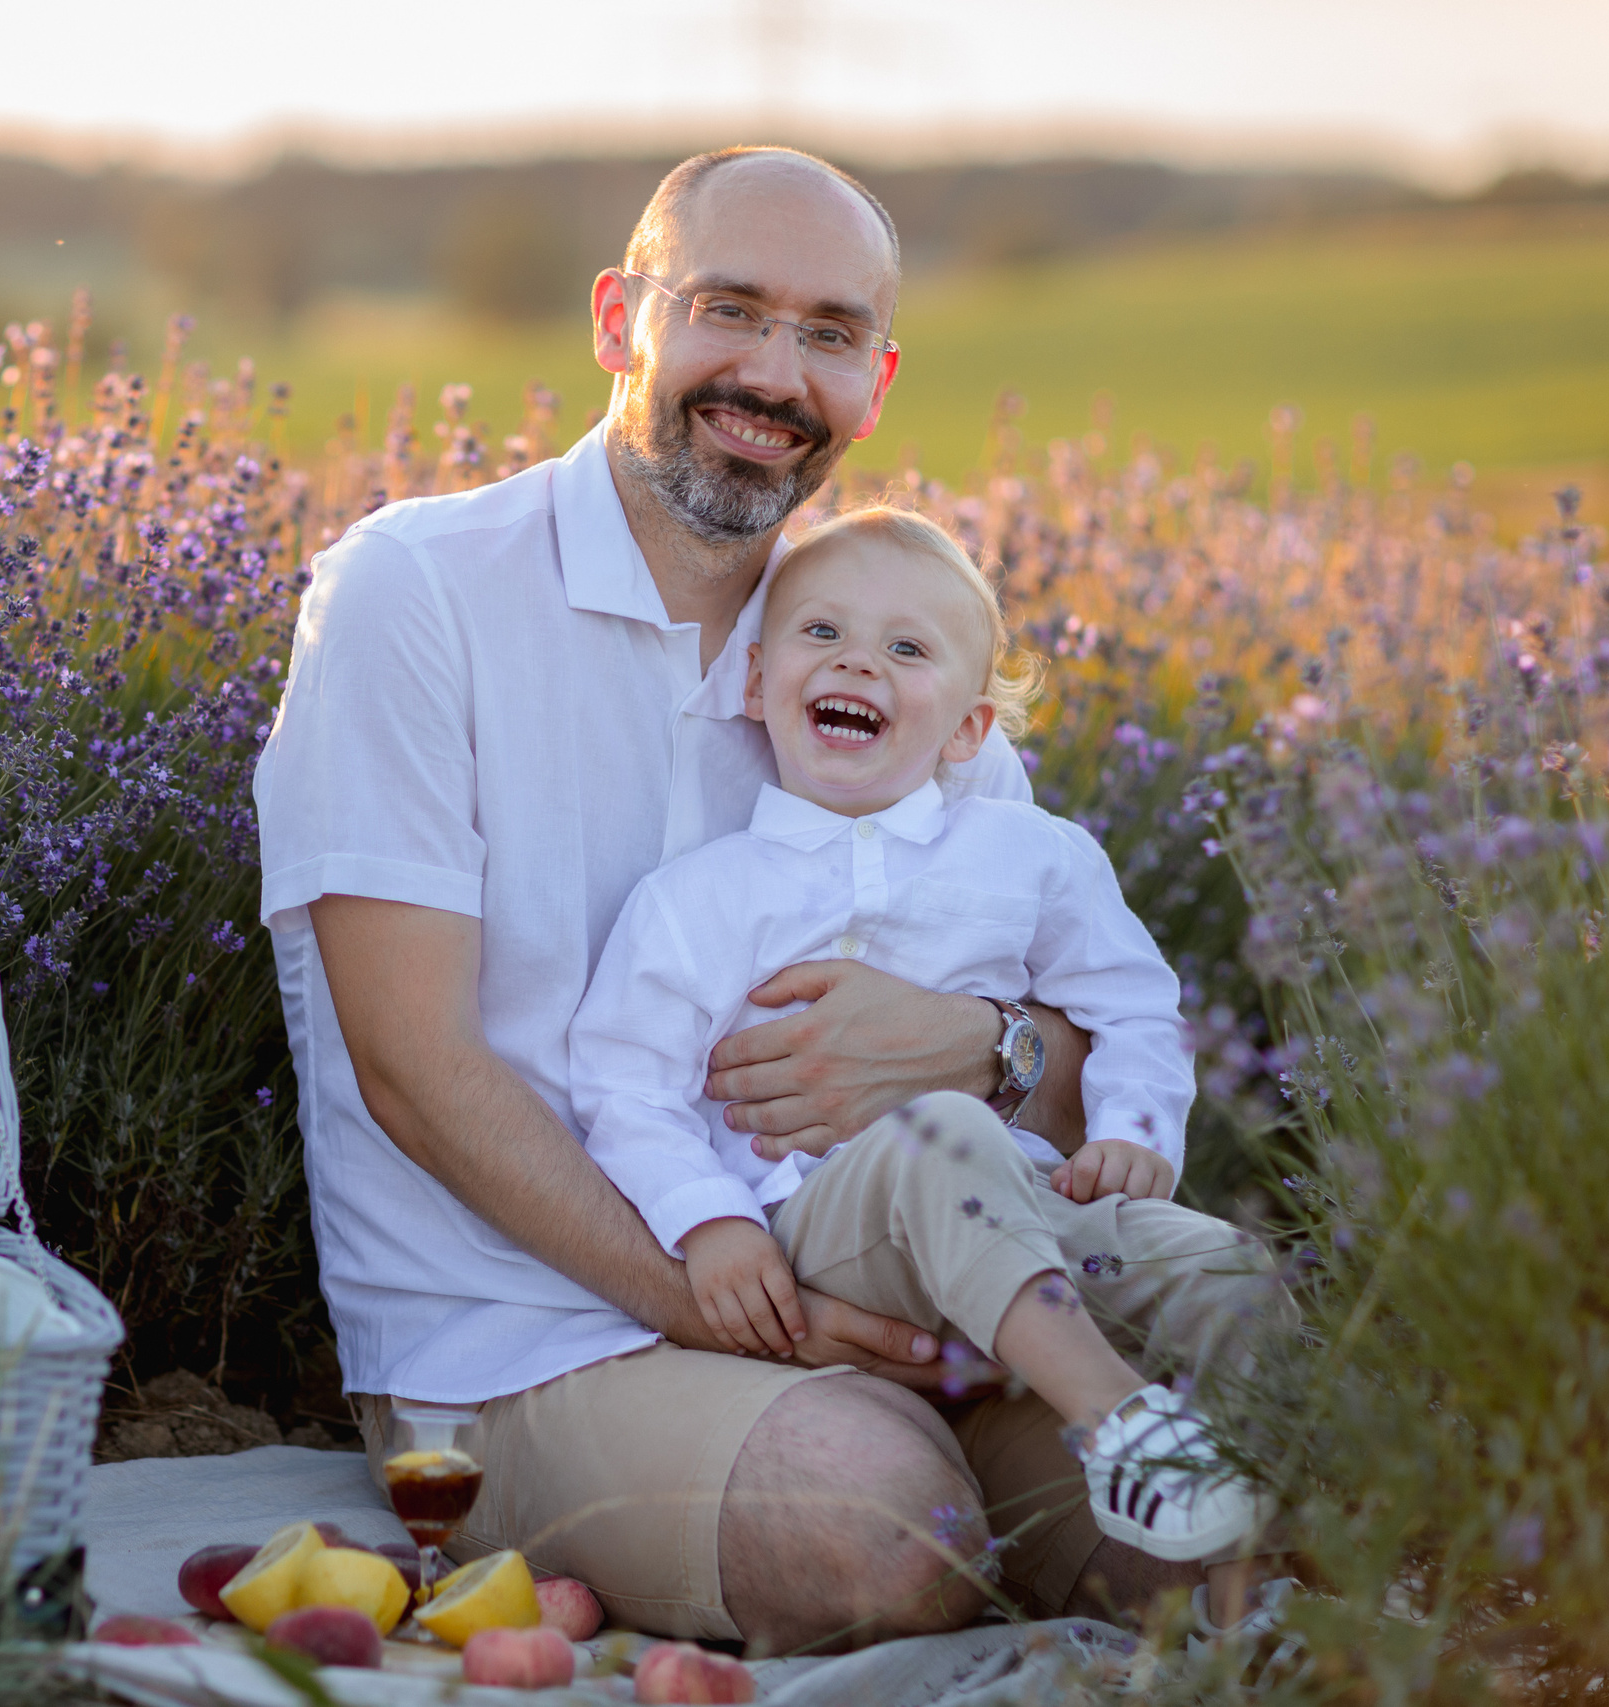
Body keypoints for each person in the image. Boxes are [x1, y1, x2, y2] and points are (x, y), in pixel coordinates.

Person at [254, 144, 1260, 1652]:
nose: (774, 372)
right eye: (730, 308)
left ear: (878, 377)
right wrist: (721, 1298)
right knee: (889, 1525)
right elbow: (417, 1066)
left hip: (914, 1286)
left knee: (1218, 1522)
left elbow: (1067, 1035)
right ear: (619, 321)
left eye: (831, 333)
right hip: (526, 1331)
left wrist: (978, 1045)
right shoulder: (420, 591)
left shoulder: (879, 642)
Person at [568, 507, 1286, 1609]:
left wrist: (1134, 1133)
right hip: (824, 1238)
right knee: (944, 1130)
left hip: (1031, 1214)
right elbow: (624, 1083)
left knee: (1231, 1276)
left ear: (967, 731)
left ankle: (1263, 1575)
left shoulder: (1033, 857)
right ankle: (1121, 1423)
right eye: (822, 633)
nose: (858, 659)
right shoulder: (696, 899)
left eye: (907, 649)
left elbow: (1132, 1002)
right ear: (757, 683)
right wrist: (705, 1223)